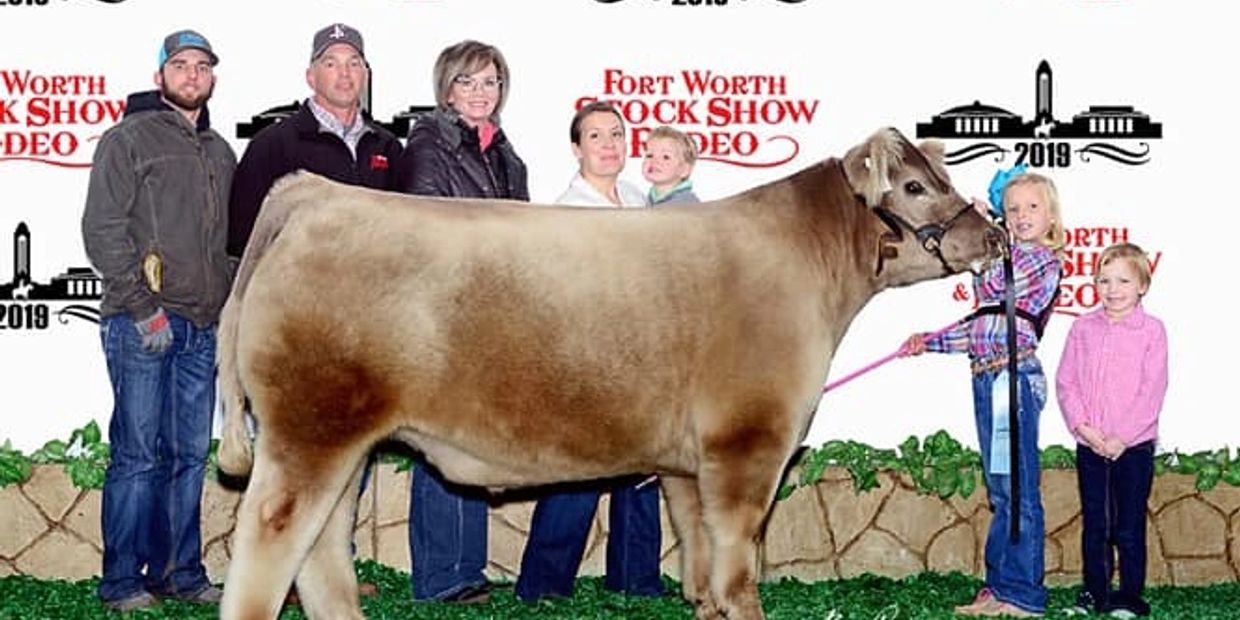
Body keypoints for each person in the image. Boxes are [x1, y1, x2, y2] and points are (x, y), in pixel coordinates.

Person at [225, 22, 401, 600]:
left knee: (347, 452)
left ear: (365, 74)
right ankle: (278, 569)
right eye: (333, 62)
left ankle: (326, 571)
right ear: (311, 75)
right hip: (299, 332)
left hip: (368, 330)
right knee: (293, 456)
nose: (345, 72)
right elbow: (244, 243)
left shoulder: (385, 149)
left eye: (354, 62)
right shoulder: (276, 145)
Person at [81, 29, 234, 612]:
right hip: (142, 322)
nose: (191, 75)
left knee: (189, 455)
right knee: (138, 455)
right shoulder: (128, 138)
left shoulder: (220, 149)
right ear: (160, 76)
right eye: (180, 65)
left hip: (202, 324)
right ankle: (122, 580)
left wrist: (225, 310)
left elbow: (226, 244)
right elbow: (102, 229)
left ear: (212, 77)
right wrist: (143, 309)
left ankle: (180, 573)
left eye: (201, 66)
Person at [393, 39, 529, 604]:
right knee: (443, 439)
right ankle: (440, 575)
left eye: (490, 82)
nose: (480, 93)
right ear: (446, 90)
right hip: (447, 316)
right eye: (468, 82)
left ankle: (466, 568)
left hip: (494, 315)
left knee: (473, 438)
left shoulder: (505, 154)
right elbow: (426, 235)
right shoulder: (430, 144)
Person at [514, 101, 664, 602]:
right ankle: (542, 586)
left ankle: (637, 578)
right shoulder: (567, 209)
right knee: (578, 472)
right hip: (586, 362)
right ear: (576, 149)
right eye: (596, 136)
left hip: (641, 357)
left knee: (641, 470)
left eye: (617, 135)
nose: (609, 145)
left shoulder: (641, 199)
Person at [902, 171, 1067, 618]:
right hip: (988, 378)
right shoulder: (1007, 255)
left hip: (1013, 382)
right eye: (1012, 209)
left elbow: (997, 290)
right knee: (1002, 488)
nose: (1021, 216)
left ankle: (1024, 596)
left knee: (1019, 490)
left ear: (1051, 216)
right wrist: (928, 341)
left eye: (1032, 207)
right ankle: (1000, 586)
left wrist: (983, 235)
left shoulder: (1042, 260)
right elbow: (983, 325)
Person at [1056, 243, 1167, 619]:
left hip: (1132, 448)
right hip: (1091, 444)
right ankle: (1095, 592)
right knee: (1096, 523)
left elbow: (1151, 389)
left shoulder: (1152, 331)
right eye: (1104, 280)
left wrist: (1121, 437)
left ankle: (1130, 597)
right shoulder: (1082, 328)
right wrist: (1084, 428)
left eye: (1123, 280)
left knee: (1128, 526)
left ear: (1142, 286)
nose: (1113, 289)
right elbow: (1066, 381)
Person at [641, 125, 700, 205]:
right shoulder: (646, 199)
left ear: (684, 170)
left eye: (666, 157)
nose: (654, 161)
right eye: (649, 155)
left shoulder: (688, 202)